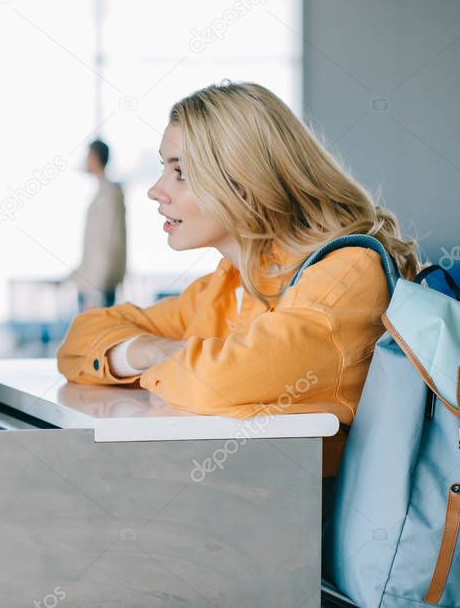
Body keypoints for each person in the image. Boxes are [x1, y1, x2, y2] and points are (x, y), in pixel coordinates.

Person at [57, 82, 419, 479]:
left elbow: (217, 381)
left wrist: (165, 356)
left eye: (180, 172)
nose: (155, 191)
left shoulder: (348, 274)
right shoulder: (230, 283)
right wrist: (149, 351)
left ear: (245, 184)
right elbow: (80, 341)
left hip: (314, 531)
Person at [71, 139, 127, 311]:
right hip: (93, 281)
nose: (86, 161)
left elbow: (111, 240)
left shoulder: (111, 194)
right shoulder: (101, 193)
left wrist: (99, 284)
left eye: (88, 156)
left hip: (99, 283)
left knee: (97, 332)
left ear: (96, 158)